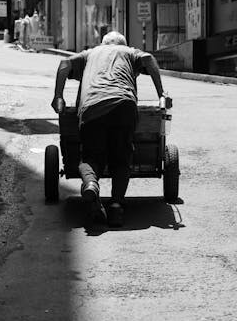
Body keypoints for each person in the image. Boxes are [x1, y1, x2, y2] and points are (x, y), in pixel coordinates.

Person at [51, 31, 166, 228]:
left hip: (92, 107)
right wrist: (162, 93)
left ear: (103, 43)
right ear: (123, 43)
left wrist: (58, 96)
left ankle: (91, 184)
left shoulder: (90, 53)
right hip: (124, 105)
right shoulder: (129, 52)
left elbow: (64, 64)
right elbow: (148, 58)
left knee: (90, 157)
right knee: (122, 158)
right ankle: (115, 206)